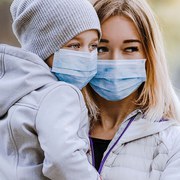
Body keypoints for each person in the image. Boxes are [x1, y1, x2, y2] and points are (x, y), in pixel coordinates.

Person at [0, 0, 102, 179]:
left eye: (93, 46)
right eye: (74, 45)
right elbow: (62, 159)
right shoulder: (60, 93)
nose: (87, 55)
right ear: (43, 46)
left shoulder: (13, 90)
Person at [83, 0, 180, 179]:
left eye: (130, 49)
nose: (115, 61)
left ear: (149, 55)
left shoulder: (173, 143)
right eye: (101, 48)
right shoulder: (58, 126)